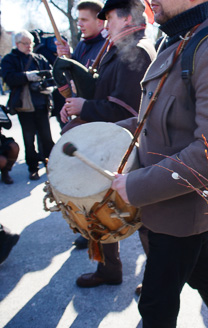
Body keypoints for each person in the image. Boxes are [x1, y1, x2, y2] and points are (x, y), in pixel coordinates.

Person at [111, 0, 208, 326]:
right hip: (165, 210)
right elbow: (160, 119)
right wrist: (104, 135)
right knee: (204, 274)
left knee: (155, 309)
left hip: (180, 217)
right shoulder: (180, 41)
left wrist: (136, 186)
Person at [64, 0, 156, 289]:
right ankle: (109, 270)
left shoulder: (137, 51)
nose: (106, 23)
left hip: (123, 146)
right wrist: (76, 100)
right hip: (108, 143)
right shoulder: (122, 46)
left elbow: (126, 110)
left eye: (111, 17)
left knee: (142, 218)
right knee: (98, 210)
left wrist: (85, 106)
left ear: (128, 18)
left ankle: (155, 280)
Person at [55, 0, 106, 250]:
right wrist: (66, 58)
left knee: (97, 191)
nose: (80, 25)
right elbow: (74, 87)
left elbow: (96, 92)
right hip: (82, 123)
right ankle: (89, 228)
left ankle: (100, 238)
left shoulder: (105, 49)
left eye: (85, 20)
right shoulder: (81, 48)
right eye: (78, 21)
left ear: (100, 21)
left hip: (97, 128)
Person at [1, 30, 55, 181]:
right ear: (17, 44)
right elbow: (8, 78)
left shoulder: (39, 58)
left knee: (47, 138)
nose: (29, 46)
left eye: (30, 43)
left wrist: (47, 86)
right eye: (25, 43)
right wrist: (27, 76)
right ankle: (33, 168)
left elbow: (51, 75)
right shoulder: (9, 59)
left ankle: (51, 166)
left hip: (42, 104)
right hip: (24, 107)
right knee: (29, 140)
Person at [55, 0, 106, 69]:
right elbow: (75, 75)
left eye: (84, 20)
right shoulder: (82, 45)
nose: (79, 24)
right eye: (79, 20)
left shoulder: (109, 46)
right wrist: (68, 57)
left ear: (99, 22)